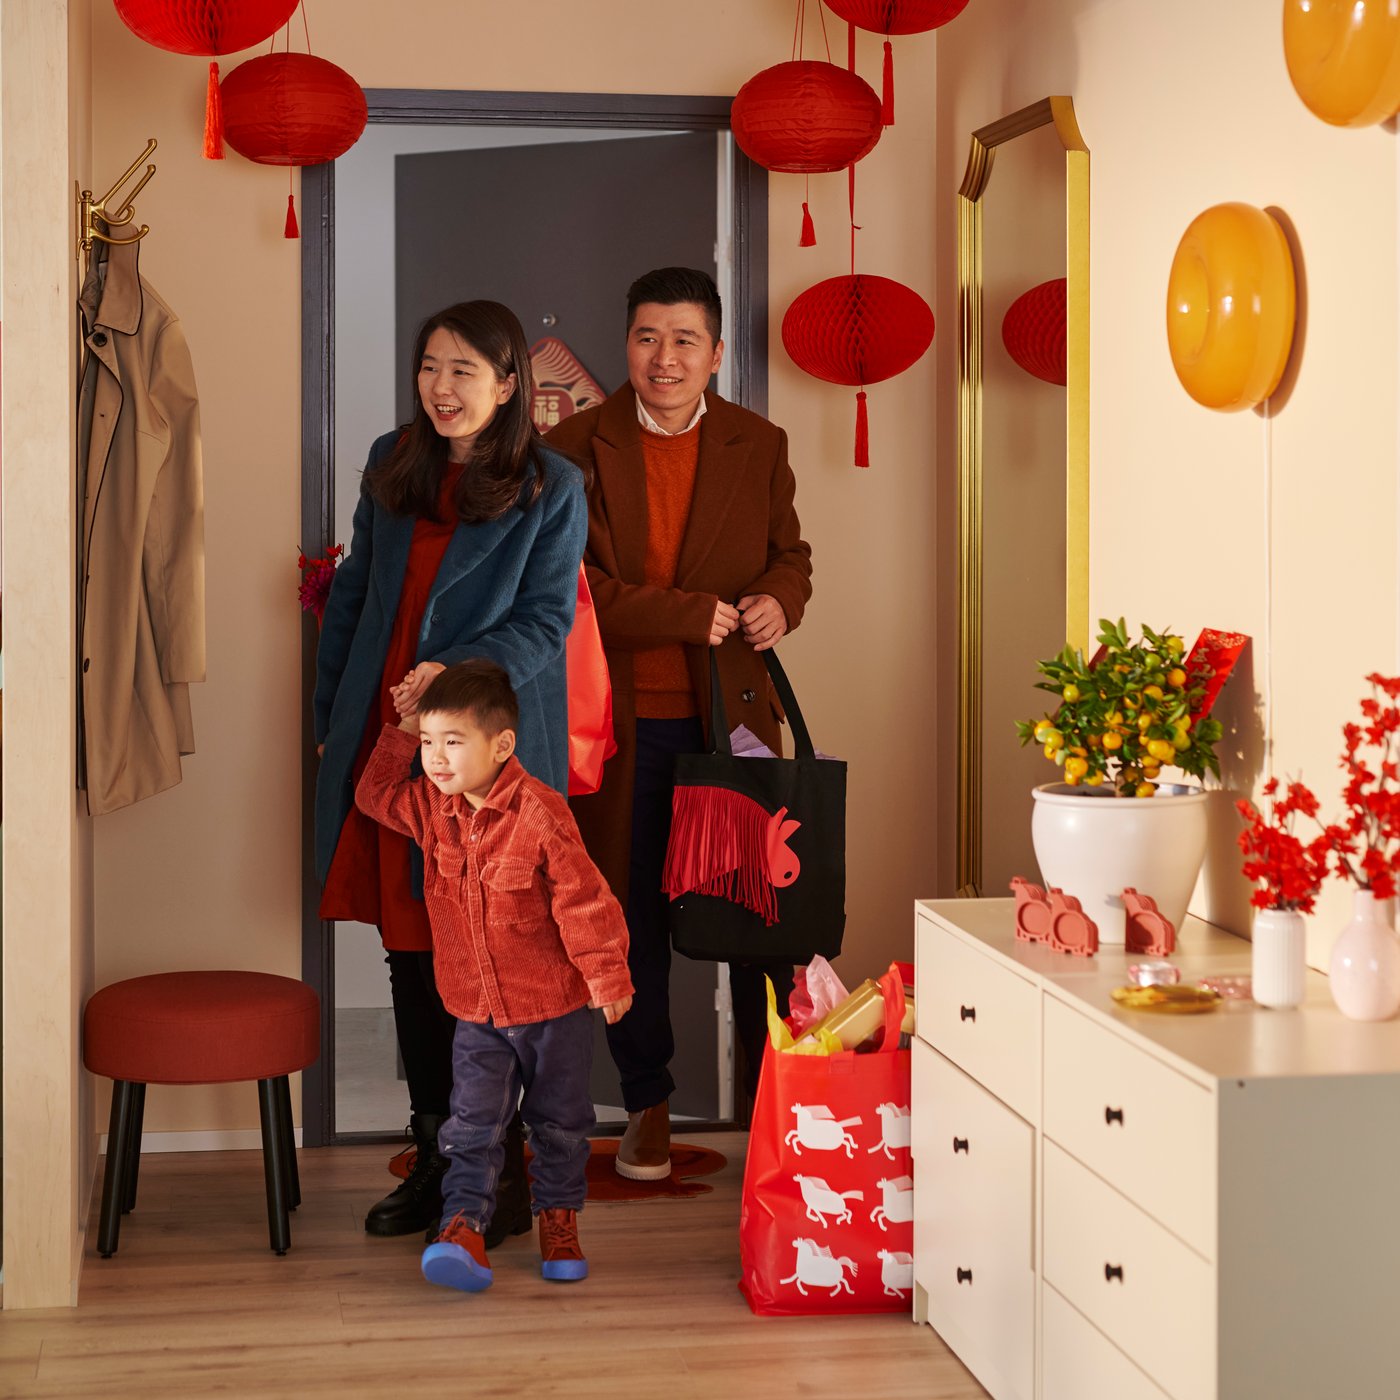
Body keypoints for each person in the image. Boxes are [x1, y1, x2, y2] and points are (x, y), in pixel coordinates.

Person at [314, 301, 587, 1241]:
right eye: (430, 366)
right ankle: (437, 1158)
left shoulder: (553, 485)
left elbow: (546, 622)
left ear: (509, 382)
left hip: (483, 755)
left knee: (490, 954)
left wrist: (454, 675)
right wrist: (330, 725)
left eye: (465, 369)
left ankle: (498, 1171)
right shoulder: (396, 462)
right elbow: (351, 604)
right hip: (392, 746)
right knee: (411, 950)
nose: (442, 387)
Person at [547, 266, 813, 1180]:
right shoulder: (574, 445)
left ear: (716, 353)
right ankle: (647, 1104)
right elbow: (564, 588)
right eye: (647, 338)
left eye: (684, 341)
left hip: (728, 728)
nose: (664, 358)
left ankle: (780, 1110)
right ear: (627, 343)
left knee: (754, 921)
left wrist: (782, 599)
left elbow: (791, 555)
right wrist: (676, 614)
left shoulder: (759, 442)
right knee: (629, 925)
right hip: (616, 728)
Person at [355, 660, 633, 1292]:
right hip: (475, 1011)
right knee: (471, 1124)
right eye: (428, 744)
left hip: (551, 1009)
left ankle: (558, 1221)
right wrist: (402, 725)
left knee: (560, 1123)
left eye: (453, 742)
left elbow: (583, 898)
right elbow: (373, 795)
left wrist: (607, 975)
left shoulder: (540, 814)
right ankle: (463, 1227)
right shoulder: (431, 809)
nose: (436, 759)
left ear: (501, 745)